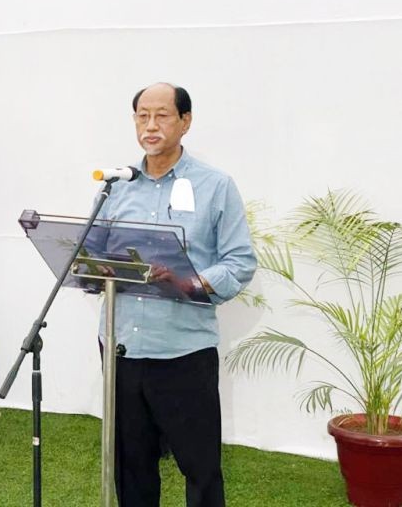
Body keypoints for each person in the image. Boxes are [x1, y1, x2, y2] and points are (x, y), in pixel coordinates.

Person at [97, 82, 257, 507]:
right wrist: (97, 269)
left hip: (183, 350)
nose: (150, 125)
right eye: (142, 115)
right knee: (131, 467)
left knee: (200, 468)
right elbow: (92, 255)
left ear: (185, 121)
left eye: (162, 115)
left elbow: (240, 261)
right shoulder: (115, 186)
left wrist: (189, 283)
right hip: (121, 349)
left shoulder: (215, 186)